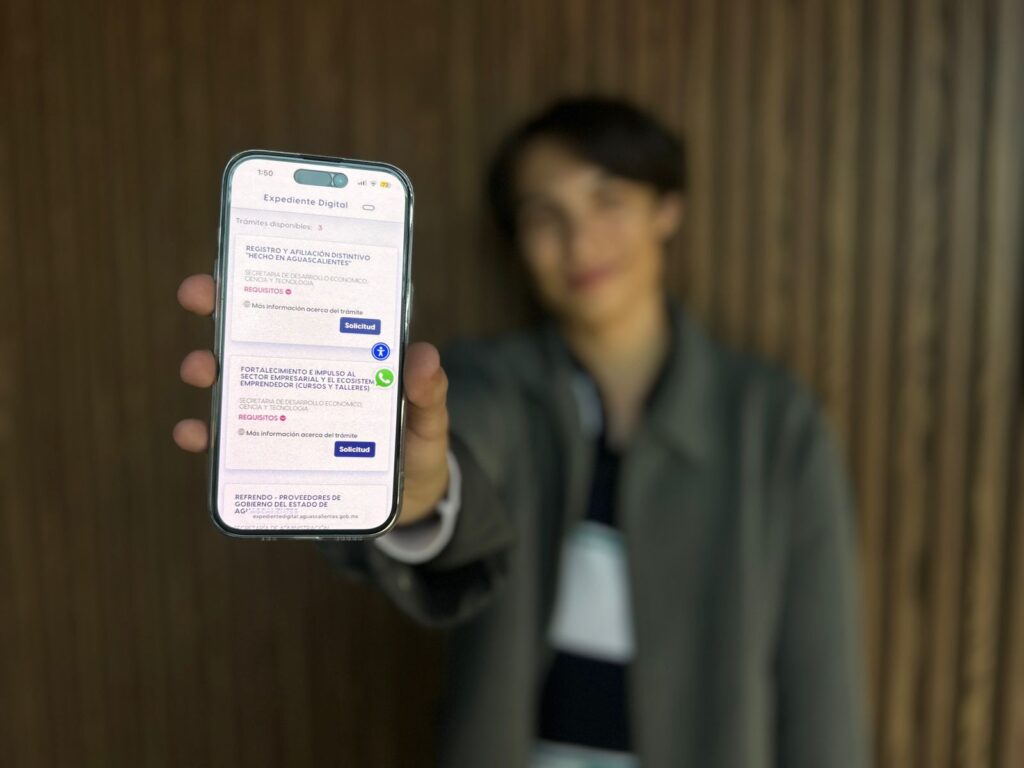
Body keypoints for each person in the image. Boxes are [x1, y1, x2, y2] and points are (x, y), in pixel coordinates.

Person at [175, 98, 869, 767]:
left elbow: (821, 688)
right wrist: (418, 496)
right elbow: (459, 456)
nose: (581, 242)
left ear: (667, 208)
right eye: (544, 216)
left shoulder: (776, 425)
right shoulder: (491, 384)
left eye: (607, 200)